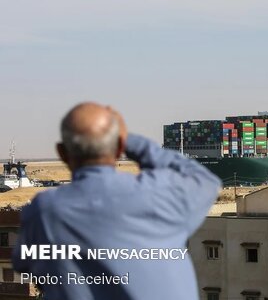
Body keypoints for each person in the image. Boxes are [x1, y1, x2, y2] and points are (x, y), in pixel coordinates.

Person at [12, 102, 222, 300]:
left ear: (62, 153)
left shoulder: (45, 211)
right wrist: (130, 140)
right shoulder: (162, 195)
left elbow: (23, 263)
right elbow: (206, 180)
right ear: (120, 146)